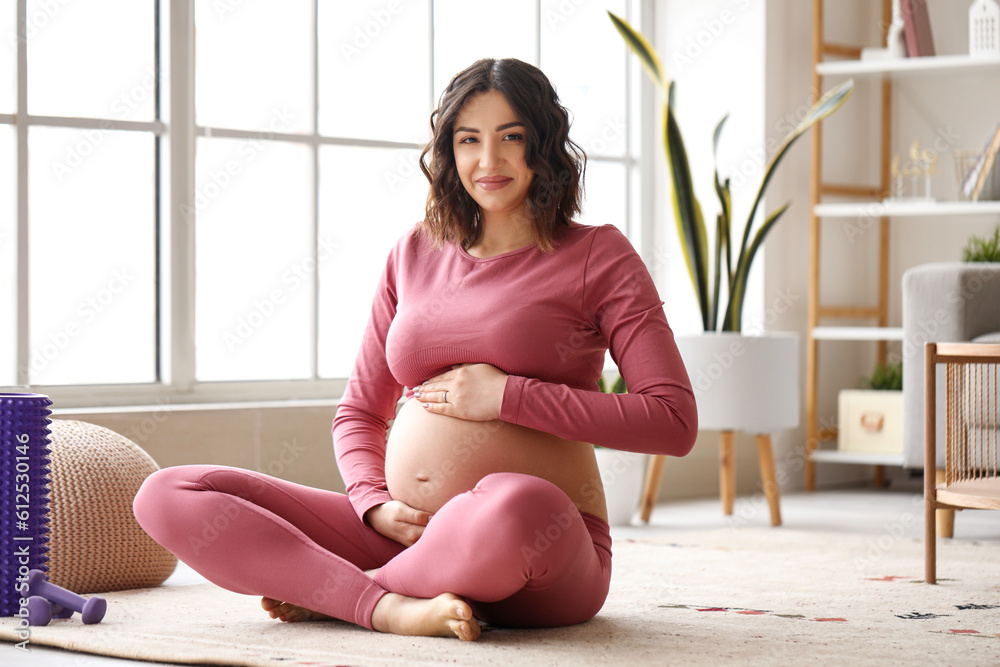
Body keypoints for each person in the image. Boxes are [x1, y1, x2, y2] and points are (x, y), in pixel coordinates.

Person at [133, 58, 697, 642]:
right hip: (405, 532)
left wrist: (509, 396)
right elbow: (359, 411)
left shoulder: (598, 256)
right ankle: (389, 604)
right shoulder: (414, 252)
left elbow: (673, 421)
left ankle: (348, 593)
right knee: (171, 493)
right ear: (448, 152)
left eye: (512, 138)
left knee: (516, 502)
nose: (489, 161)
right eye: (468, 140)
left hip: (537, 551)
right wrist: (371, 501)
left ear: (545, 145)